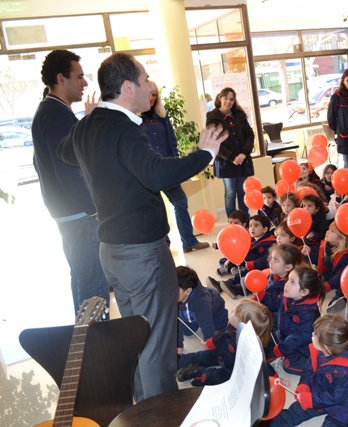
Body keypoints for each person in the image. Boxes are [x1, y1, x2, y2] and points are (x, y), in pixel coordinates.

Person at [57, 52, 228, 401]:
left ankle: (140, 411)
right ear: (126, 87)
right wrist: (205, 154)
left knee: (135, 336)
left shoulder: (91, 126)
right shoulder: (123, 129)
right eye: (145, 80)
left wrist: (87, 121)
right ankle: (159, 414)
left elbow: (64, 153)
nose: (150, 87)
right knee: (156, 344)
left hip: (111, 252)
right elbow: (157, 173)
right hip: (143, 255)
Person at [31, 49, 110, 315]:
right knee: (94, 286)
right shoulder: (56, 114)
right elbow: (69, 169)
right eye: (79, 76)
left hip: (68, 213)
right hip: (78, 214)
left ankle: (85, 344)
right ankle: (98, 349)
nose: (85, 83)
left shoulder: (51, 111)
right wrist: (94, 208)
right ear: (61, 78)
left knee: (82, 280)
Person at [141, 81, 209, 253]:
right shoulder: (135, 119)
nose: (151, 98)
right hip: (149, 172)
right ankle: (165, 245)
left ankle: (189, 242)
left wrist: (177, 167)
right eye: (149, 94)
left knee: (180, 202)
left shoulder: (162, 116)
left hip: (167, 169)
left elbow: (172, 142)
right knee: (158, 210)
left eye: (154, 95)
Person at [269, 314, 348, 427]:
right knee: (293, 412)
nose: (312, 334)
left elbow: (335, 396)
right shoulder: (319, 351)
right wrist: (304, 386)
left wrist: (311, 399)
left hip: (343, 405)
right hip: (318, 392)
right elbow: (308, 370)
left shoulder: (347, 372)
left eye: (315, 334)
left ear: (326, 346)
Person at [176, 299, 273, 386]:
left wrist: (274, 377)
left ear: (242, 323)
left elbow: (261, 364)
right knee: (202, 356)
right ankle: (181, 360)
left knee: (215, 377)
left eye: (234, 312)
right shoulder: (232, 326)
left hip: (230, 369)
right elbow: (221, 336)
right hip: (220, 352)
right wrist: (210, 343)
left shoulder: (251, 346)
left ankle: (197, 371)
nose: (231, 311)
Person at [265, 265, 324, 375]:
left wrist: (282, 349)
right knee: (264, 343)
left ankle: (316, 366)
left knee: (288, 365)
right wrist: (263, 296)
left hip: (302, 348)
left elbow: (300, 338)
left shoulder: (309, 314)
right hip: (283, 336)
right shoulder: (289, 297)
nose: (286, 284)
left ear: (304, 292)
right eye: (288, 280)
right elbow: (276, 302)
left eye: (292, 282)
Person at [208, 87, 255, 218]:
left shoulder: (239, 115)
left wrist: (243, 154)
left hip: (242, 160)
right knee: (230, 192)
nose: (228, 102)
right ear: (219, 98)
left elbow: (250, 135)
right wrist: (232, 158)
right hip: (226, 161)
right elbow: (215, 142)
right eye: (226, 98)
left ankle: (244, 219)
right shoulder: (212, 117)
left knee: (242, 192)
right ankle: (233, 221)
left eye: (231, 99)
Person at [176, 266, 227, 355]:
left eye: (174, 290)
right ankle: (194, 320)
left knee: (218, 331)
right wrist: (179, 344)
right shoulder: (174, 297)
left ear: (188, 291)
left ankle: (222, 324)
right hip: (193, 314)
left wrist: (209, 343)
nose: (169, 293)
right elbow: (177, 321)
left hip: (215, 312)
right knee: (186, 332)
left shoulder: (202, 303)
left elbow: (207, 326)